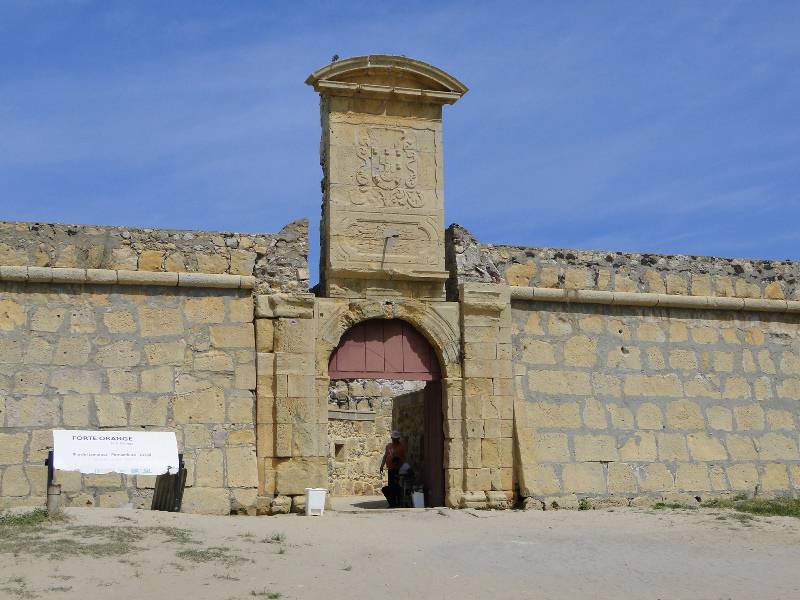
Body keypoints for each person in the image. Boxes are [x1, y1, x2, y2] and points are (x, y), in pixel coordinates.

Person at [380, 430, 407, 507]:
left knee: (397, 487)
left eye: (396, 438)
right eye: (393, 438)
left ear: (398, 438)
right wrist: (382, 465)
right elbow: (385, 456)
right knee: (390, 486)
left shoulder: (401, 447)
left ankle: (397, 503)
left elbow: (404, 458)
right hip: (390, 469)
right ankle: (392, 503)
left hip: (398, 470)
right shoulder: (388, 446)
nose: (394, 440)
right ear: (391, 438)